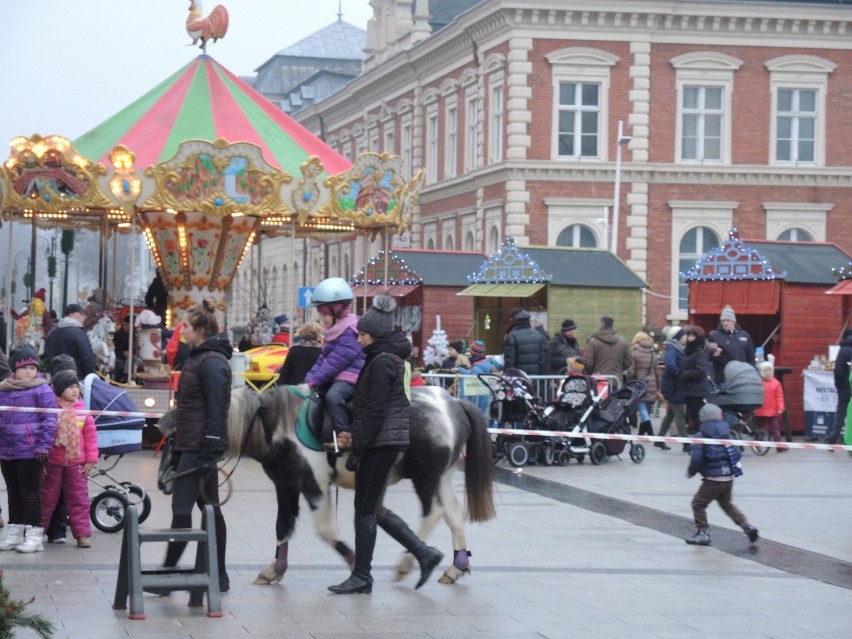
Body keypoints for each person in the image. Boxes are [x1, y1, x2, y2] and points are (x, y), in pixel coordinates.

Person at [328, 294, 443, 595]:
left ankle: (363, 576)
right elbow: (370, 406)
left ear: (375, 335)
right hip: (384, 440)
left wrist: (358, 447)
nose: (359, 340)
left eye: (363, 335)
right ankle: (423, 553)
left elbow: (376, 410)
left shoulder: (382, 362)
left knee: (364, 509)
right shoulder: (386, 358)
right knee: (372, 507)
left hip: (382, 442)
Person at [162, 297, 232, 592]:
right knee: (210, 509)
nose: (182, 331)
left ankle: (168, 574)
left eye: (187, 326)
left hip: (198, 445)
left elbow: (217, 410)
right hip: (191, 442)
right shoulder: (199, 357)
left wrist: (208, 450)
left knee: (183, 509)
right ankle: (218, 574)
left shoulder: (211, 362)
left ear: (201, 329)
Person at [0, 345, 58, 554]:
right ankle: (15, 531)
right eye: (24, 367)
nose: (29, 371)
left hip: (31, 451)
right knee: (13, 493)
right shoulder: (3, 388)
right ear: (15, 368)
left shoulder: (41, 389)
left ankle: (35, 534)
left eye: (33, 367)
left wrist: (43, 446)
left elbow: (50, 419)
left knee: (31, 493)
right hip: (7, 451)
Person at [303, 278, 365, 451]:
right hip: (341, 374)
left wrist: (316, 380)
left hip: (352, 375)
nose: (321, 320)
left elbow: (335, 362)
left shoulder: (349, 330)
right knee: (314, 395)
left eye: (324, 315)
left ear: (337, 310)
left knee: (333, 396)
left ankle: (345, 433)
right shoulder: (335, 331)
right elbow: (323, 359)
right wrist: (307, 380)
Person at [685, 403, 759, 547]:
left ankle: (703, 533)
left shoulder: (702, 436)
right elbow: (737, 453)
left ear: (702, 419)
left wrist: (691, 471)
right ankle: (747, 526)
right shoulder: (727, 433)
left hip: (713, 479)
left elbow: (697, 459)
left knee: (698, 504)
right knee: (726, 503)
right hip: (728, 477)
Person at [40, 369, 98, 548]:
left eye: (76, 387)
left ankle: (82, 535)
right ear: (59, 390)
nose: (75, 390)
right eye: (70, 387)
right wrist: (42, 461)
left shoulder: (83, 412)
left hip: (77, 463)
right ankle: (36, 533)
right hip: (53, 463)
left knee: (79, 499)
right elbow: (45, 435)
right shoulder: (51, 410)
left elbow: (90, 438)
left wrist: (90, 460)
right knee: (46, 499)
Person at [676, 325, 713, 435]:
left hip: (696, 390)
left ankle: (704, 443)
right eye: (689, 335)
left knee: (698, 418)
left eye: (694, 335)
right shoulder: (689, 351)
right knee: (693, 417)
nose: (691, 338)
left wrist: (683, 374)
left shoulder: (700, 352)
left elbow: (700, 371)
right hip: (690, 390)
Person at [44, 304, 98, 378]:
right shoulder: (78, 333)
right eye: (81, 314)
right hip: (77, 378)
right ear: (71, 314)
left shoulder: (53, 333)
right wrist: (92, 375)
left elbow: (48, 354)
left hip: (57, 377)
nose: (84, 317)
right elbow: (87, 357)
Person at [627, 331, 662, 443]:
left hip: (639, 383)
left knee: (641, 406)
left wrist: (629, 381)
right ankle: (642, 433)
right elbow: (657, 371)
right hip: (651, 382)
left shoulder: (634, 352)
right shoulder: (652, 352)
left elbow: (631, 370)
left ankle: (650, 430)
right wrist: (658, 385)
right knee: (645, 407)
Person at [659, 326, 690, 452]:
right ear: (678, 337)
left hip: (675, 386)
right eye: (683, 336)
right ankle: (686, 443)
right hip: (673, 387)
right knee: (680, 414)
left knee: (670, 414)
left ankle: (659, 439)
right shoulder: (672, 348)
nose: (686, 338)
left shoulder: (678, 348)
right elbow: (670, 364)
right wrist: (680, 373)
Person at [708, 306, 755, 388]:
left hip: (742, 377)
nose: (725, 323)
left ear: (734, 321)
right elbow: (708, 357)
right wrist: (715, 355)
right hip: (723, 378)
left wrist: (751, 373)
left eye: (727, 320)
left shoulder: (745, 335)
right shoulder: (714, 335)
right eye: (723, 321)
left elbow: (750, 356)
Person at [503, 307, 550, 375]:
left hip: (519, 380)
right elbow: (545, 361)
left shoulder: (512, 336)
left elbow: (510, 362)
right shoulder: (540, 336)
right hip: (537, 379)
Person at [583, 315, 632, 380]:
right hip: (616, 380)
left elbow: (588, 362)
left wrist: (593, 372)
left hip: (599, 380)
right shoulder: (623, 341)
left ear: (602, 324)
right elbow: (628, 361)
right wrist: (618, 369)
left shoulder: (593, 341)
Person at [454, 340, 495, 416]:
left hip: (477, 405)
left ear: (473, 352)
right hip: (484, 402)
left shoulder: (476, 368)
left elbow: (473, 390)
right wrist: (460, 370)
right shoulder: (485, 364)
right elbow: (471, 374)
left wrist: (468, 407)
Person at [754, 361, 786, 452]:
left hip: (773, 411)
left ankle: (778, 445)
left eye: (769, 370)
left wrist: (780, 407)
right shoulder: (758, 383)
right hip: (760, 410)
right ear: (761, 372)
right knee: (759, 429)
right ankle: (757, 445)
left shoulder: (776, 383)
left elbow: (780, 397)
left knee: (776, 429)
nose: (767, 372)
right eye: (765, 371)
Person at [828, 328, 852, 445]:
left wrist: (839, 385)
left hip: (845, 387)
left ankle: (834, 438)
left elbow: (838, 370)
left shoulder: (843, 351)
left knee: (841, 414)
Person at [112, 316, 131, 383]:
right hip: (120, 356)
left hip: (132, 357)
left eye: (127, 325)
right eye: (124, 325)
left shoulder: (134, 335)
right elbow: (116, 348)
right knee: (121, 365)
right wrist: (123, 352)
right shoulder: (118, 334)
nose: (125, 327)